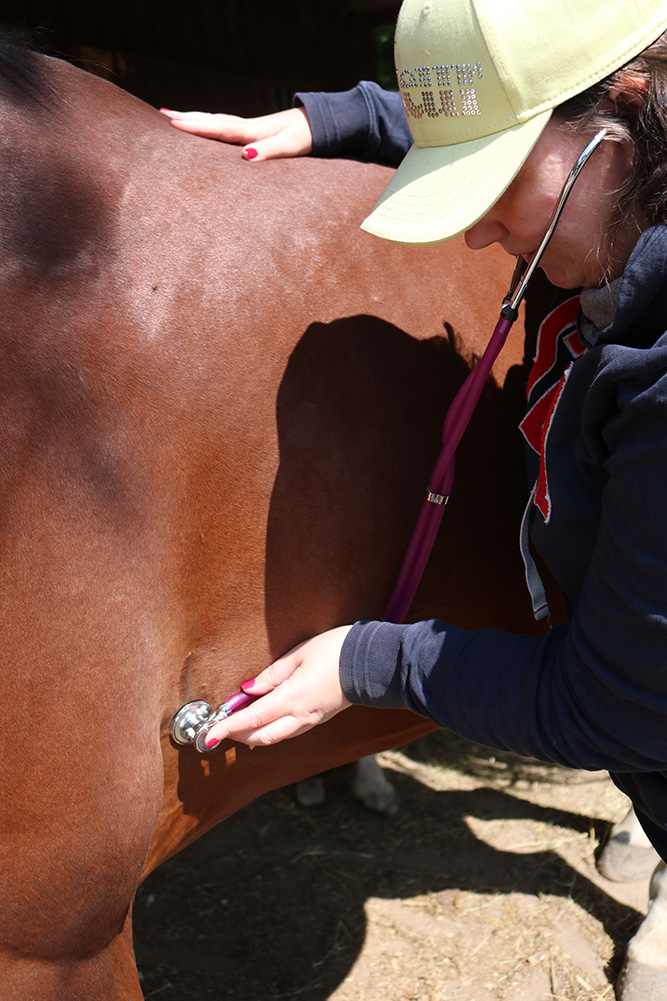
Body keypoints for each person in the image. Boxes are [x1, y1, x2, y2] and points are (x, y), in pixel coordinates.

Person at [163, 0, 667, 862]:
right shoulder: (614, 185)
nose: (479, 233)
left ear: (620, 118)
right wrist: (336, 118)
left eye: (495, 177)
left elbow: (613, 709)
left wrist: (367, 661)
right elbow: (535, 115)